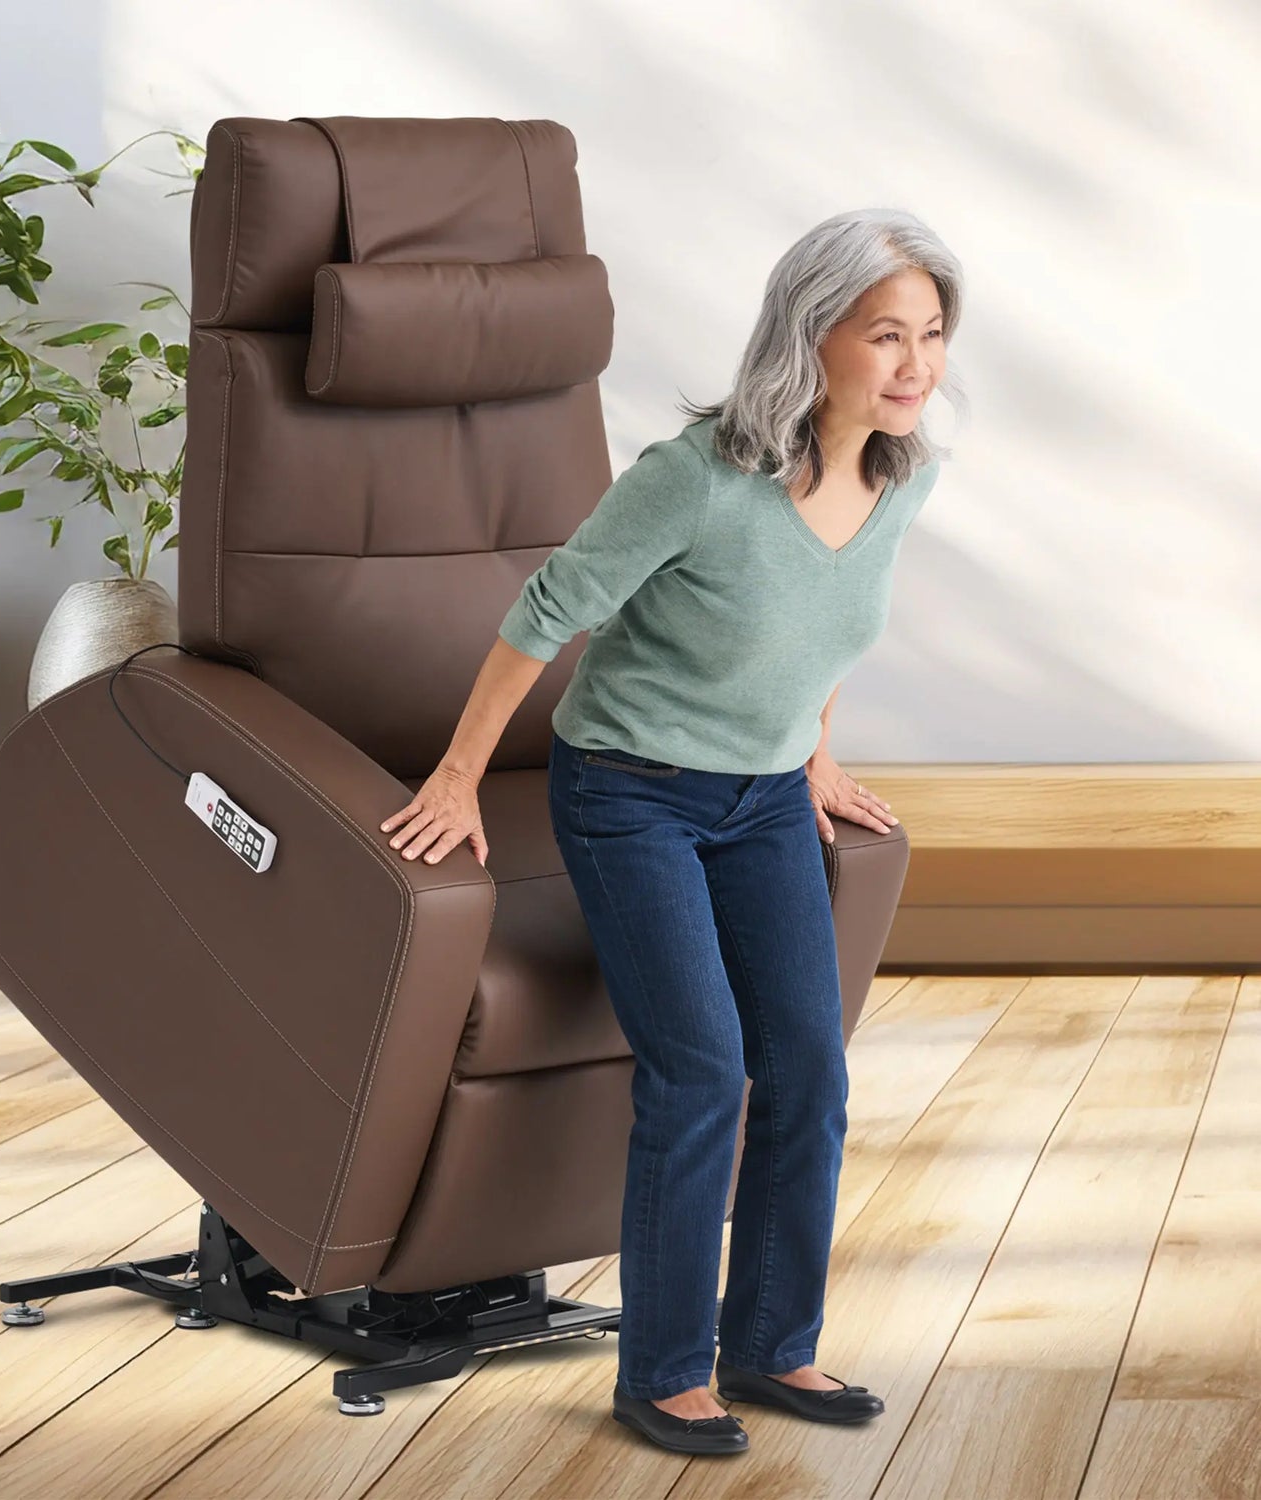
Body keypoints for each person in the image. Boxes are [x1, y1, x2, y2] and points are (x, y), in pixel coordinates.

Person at [378, 207, 966, 1457]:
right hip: (629, 792)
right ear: (813, 338)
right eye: (886, 335)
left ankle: (770, 1347)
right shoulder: (696, 477)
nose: (917, 363)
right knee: (703, 1069)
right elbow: (546, 612)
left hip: (759, 804)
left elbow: (820, 632)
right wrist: (457, 776)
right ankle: (660, 1374)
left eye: (931, 334)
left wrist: (812, 756)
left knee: (807, 1068)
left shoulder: (898, 480)